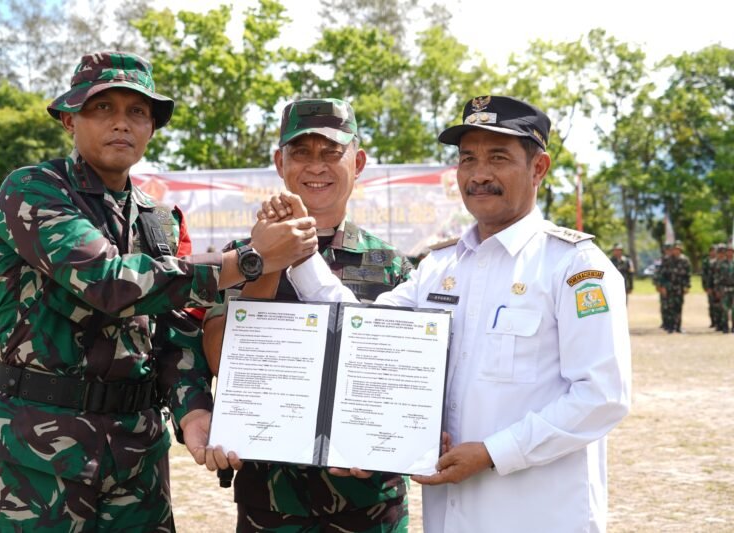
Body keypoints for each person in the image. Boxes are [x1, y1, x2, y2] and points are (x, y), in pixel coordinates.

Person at [0, 51, 317, 532]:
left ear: (151, 127)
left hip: (135, 454)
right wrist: (249, 261)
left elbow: (171, 329)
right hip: (38, 452)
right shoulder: (32, 190)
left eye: (137, 112)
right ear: (69, 119)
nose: (121, 123)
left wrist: (192, 412)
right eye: (102, 108)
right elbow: (108, 282)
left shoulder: (158, 218)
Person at [276, 95, 631, 532]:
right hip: (452, 515)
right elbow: (361, 330)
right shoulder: (440, 267)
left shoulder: (575, 268)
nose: (480, 174)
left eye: (498, 158)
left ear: (538, 168)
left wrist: (493, 452)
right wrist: (300, 255)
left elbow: (602, 396)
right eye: (468, 159)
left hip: (538, 513)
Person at [203, 98, 413, 531]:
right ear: (280, 162)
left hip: (370, 504)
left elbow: (406, 377)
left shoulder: (394, 267)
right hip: (271, 504)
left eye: (331, 153)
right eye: (301, 152)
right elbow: (219, 358)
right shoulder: (239, 259)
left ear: (358, 161)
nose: (316, 166)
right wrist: (269, 260)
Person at [656, 240, 692, 333]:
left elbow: (688, 275)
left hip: (679, 287)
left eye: (678, 249)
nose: (676, 251)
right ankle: (670, 326)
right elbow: (661, 274)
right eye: (674, 249)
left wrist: (687, 286)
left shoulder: (685, 260)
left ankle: (678, 326)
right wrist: (662, 286)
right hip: (669, 287)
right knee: (669, 307)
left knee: (678, 306)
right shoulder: (666, 260)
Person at [713, 243, 734, 333]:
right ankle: (725, 326)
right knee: (724, 309)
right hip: (724, 289)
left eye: (731, 252)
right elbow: (717, 278)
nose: (730, 253)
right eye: (728, 252)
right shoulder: (721, 264)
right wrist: (717, 290)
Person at [701, 244, 718, 328]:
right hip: (709, 285)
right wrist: (705, 286)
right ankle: (713, 321)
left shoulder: (719, 260)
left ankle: (719, 321)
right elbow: (703, 275)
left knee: (718, 304)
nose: (713, 252)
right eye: (711, 251)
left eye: (714, 251)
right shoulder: (706, 261)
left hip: (718, 286)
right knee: (711, 304)